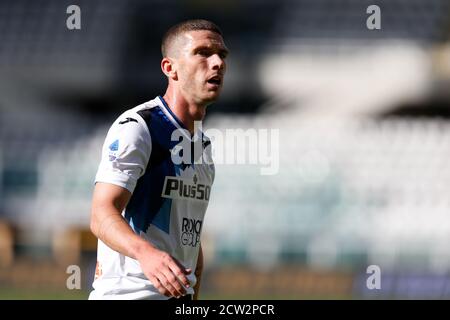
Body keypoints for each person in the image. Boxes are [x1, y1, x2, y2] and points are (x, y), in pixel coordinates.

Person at [88, 19, 228, 300]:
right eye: (202, 53)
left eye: (222, 55)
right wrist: (146, 254)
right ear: (170, 68)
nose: (217, 63)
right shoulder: (139, 127)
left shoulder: (202, 146)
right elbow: (101, 214)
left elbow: (188, 239)